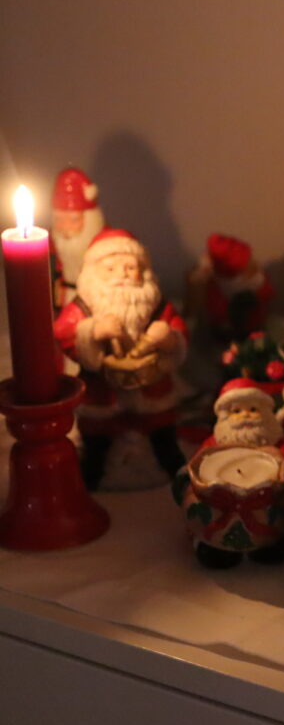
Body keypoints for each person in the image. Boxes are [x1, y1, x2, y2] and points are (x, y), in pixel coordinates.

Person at [53, 229, 187, 488]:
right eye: (111, 268)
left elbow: (178, 328)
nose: (122, 274)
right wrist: (93, 331)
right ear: (93, 273)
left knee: (161, 428)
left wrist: (168, 337)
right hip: (102, 389)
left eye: (130, 267)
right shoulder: (84, 305)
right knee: (97, 433)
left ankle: (170, 462)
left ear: (143, 271)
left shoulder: (155, 303)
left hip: (151, 387)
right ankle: (93, 469)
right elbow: (63, 331)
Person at [192, 232, 274, 341]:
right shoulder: (218, 286)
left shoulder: (256, 280)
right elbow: (213, 308)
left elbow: (266, 294)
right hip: (225, 330)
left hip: (251, 327)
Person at [201, 378, 284, 461]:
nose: (245, 415)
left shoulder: (275, 440)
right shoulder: (216, 443)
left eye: (253, 409)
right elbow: (201, 460)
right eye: (236, 411)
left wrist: (282, 458)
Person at [50, 167, 106, 307]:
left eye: (74, 220)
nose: (65, 227)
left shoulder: (107, 245)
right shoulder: (49, 245)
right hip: (62, 300)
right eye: (59, 219)